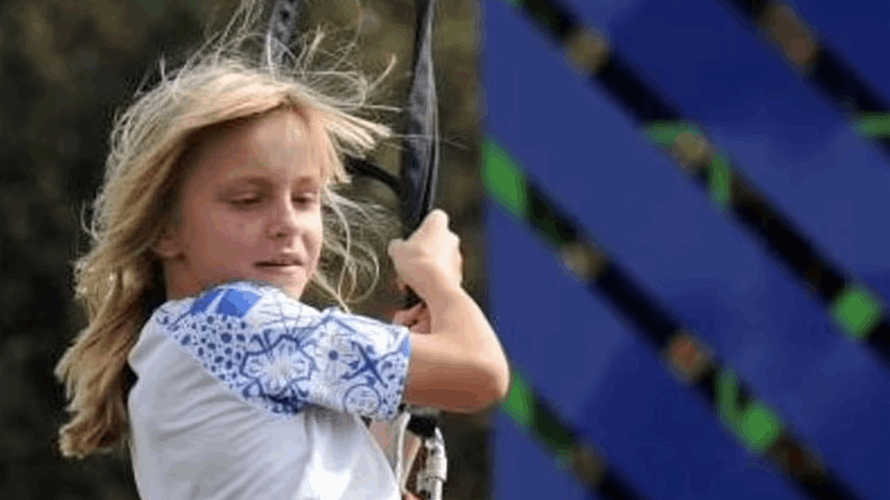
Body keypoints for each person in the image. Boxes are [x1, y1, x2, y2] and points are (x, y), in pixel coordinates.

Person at [52, 0, 511, 498]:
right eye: (248, 201)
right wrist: (438, 280)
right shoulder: (234, 322)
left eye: (305, 198)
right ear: (165, 229)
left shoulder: (191, 345)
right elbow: (482, 373)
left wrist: (398, 408)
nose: (287, 224)